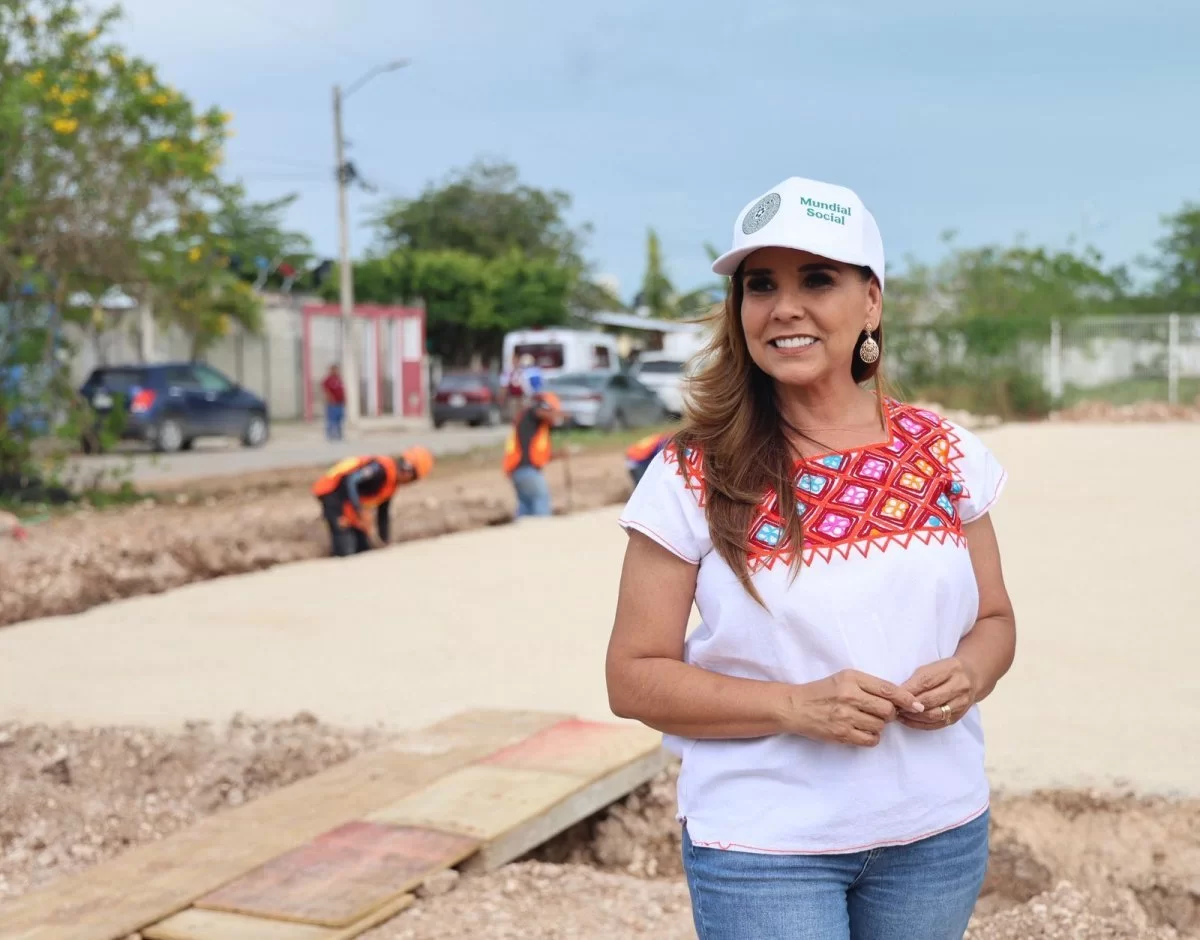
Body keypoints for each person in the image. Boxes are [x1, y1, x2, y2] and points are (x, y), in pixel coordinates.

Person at [607, 176, 1016, 940]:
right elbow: (633, 677)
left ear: (872, 301)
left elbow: (995, 620)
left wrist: (972, 673)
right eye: (760, 285)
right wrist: (794, 708)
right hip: (766, 848)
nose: (784, 307)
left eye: (817, 279)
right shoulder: (692, 472)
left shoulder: (946, 452)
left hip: (938, 835)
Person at [311, 446, 434, 556]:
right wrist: (360, 511)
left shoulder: (391, 485)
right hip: (332, 492)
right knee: (346, 548)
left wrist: (385, 541)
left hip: (348, 502)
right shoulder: (381, 469)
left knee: (363, 548)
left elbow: (383, 514)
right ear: (409, 474)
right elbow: (350, 481)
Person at [503, 391, 565, 518]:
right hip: (526, 469)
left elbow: (540, 455)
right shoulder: (532, 414)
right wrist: (558, 415)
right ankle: (541, 528)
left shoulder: (537, 428)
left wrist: (559, 454)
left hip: (519, 470)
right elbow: (539, 412)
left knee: (526, 505)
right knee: (541, 499)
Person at [321, 365, 346, 441]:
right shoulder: (327, 380)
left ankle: (339, 435)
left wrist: (344, 399)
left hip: (340, 403)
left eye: (337, 370)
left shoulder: (338, 379)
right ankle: (330, 436)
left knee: (339, 420)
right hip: (332, 404)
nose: (336, 371)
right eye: (334, 370)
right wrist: (331, 400)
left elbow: (342, 390)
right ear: (331, 370)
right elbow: (326, 391)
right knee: (331, 420)